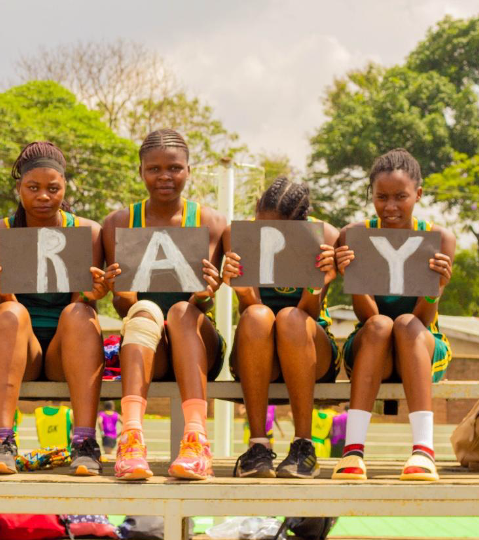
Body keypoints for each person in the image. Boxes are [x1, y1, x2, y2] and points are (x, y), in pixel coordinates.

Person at [102, 129, 226, 481]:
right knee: (146, 311)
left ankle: (197, 440)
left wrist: (206, 292)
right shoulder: (118, 223)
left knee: (180, 311)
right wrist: (117, 289)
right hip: (146, 347)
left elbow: (209, 297)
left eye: (174, 168)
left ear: (189, 169)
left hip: (198, 345)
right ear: (140, 171)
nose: (165, 177)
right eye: (154, 169)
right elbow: (124, 305)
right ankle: (131, 438)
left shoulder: (212, 222)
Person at [0, 141, 108, 476]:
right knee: (11, 312)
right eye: (33, 188)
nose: (43, 196)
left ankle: (83, 442)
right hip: (19, 349)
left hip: (65, 352)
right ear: (18, 188)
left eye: (53, 188)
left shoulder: (87, 232)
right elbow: (0, 309)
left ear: (65, 188)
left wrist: (92, 294)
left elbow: (82, 305)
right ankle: (2, 441)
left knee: (80, 313)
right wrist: (1, 292)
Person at [332, 148, 455, 482]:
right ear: (371, 196)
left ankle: (423, 451)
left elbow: (423, 319)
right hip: (372, 348)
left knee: (404, 323)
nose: (390, 207)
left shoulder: (440, 238)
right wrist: (354, 280)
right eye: (381, 197)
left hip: (421, 345)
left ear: (418, 193)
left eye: (400, 197)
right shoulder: (354, 235)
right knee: (382, 324)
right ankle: (353, 451)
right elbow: (366, 316)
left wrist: (436, 287)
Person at [221, 178, 340, 479]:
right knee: (258, 315)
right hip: (258, 351)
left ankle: (303, 445)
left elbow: (309, 312)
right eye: (261, 224)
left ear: (300, 224)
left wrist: (318, 285)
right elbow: (249, 309)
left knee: (290, 318)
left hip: (310, 347)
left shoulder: (324, 235)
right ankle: (258, 446)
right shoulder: (238, 234)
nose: (267, 233)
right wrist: (242, 289)